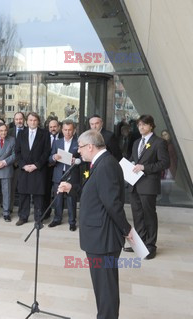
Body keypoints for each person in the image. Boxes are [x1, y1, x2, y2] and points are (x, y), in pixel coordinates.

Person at [58, 129, 133, 319]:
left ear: (90, 146)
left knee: (106, 289)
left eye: (80, 147)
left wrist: (127, 229)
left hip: (103, 238)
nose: (78, 151)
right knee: (103, 287)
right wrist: (73, 188)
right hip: (99, 236)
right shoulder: (101, 162)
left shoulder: (106, 164)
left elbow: (112, 203)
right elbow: (97, 193)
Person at [125, 115, 169, 259]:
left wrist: (145, 167)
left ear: (151, 126)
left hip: (148, 185)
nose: (141, 127)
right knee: (137, 215)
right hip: (134, 184)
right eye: (139, 125)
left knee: (149, 215)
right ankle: (140, 244)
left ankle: (150, 246)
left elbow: (164, 163)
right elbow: (134, 159)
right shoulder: (137, 142)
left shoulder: (159, 142)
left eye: (144, 125)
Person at [15, 112, 50, 226]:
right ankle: (23, 217)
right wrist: (24, 165)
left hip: (38, 169)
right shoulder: (21, 134)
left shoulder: (44, 134)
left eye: (35, 120)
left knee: (38, 196)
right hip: (24, 169)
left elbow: (46, 152)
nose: (32, 122)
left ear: (38, 121)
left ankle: (38, 219)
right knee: (23, 194)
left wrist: (36, 165)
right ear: (27, 121)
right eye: (30, 120)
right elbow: (17, 152)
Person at [48, 120, 80, 231]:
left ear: (74, 130)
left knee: (71, 199)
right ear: (62, 130)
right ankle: (57, 219)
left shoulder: (78, 143)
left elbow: (85, 159)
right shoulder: (57, 142)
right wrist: (53, 157)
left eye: (70, 130)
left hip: (72, 174)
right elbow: (50, 157)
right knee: (58, 198)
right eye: (65, 130)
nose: (67, 132)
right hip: (59, 173)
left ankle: (72, 222)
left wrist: (77, 160)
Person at [43, 118, 61, 221]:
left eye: (54, 127)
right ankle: (46, 213)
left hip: (58, 168)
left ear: (58, 127)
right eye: (50, 127)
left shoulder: (63, 137)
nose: (53, 129)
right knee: (46, 191)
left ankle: (58, 214)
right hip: (46, 169)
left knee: (57, 192)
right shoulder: (44, 136)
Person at [159, 129, 177, 204]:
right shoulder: (163, 144)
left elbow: (174, 157)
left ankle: (166, 199)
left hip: (169, 167)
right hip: (163, 166)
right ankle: (164, 198)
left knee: (168, 182)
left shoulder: (171, 144)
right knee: (163, 182)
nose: (164, 136)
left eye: (166, 134)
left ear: (169, 135)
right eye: (163, 135)